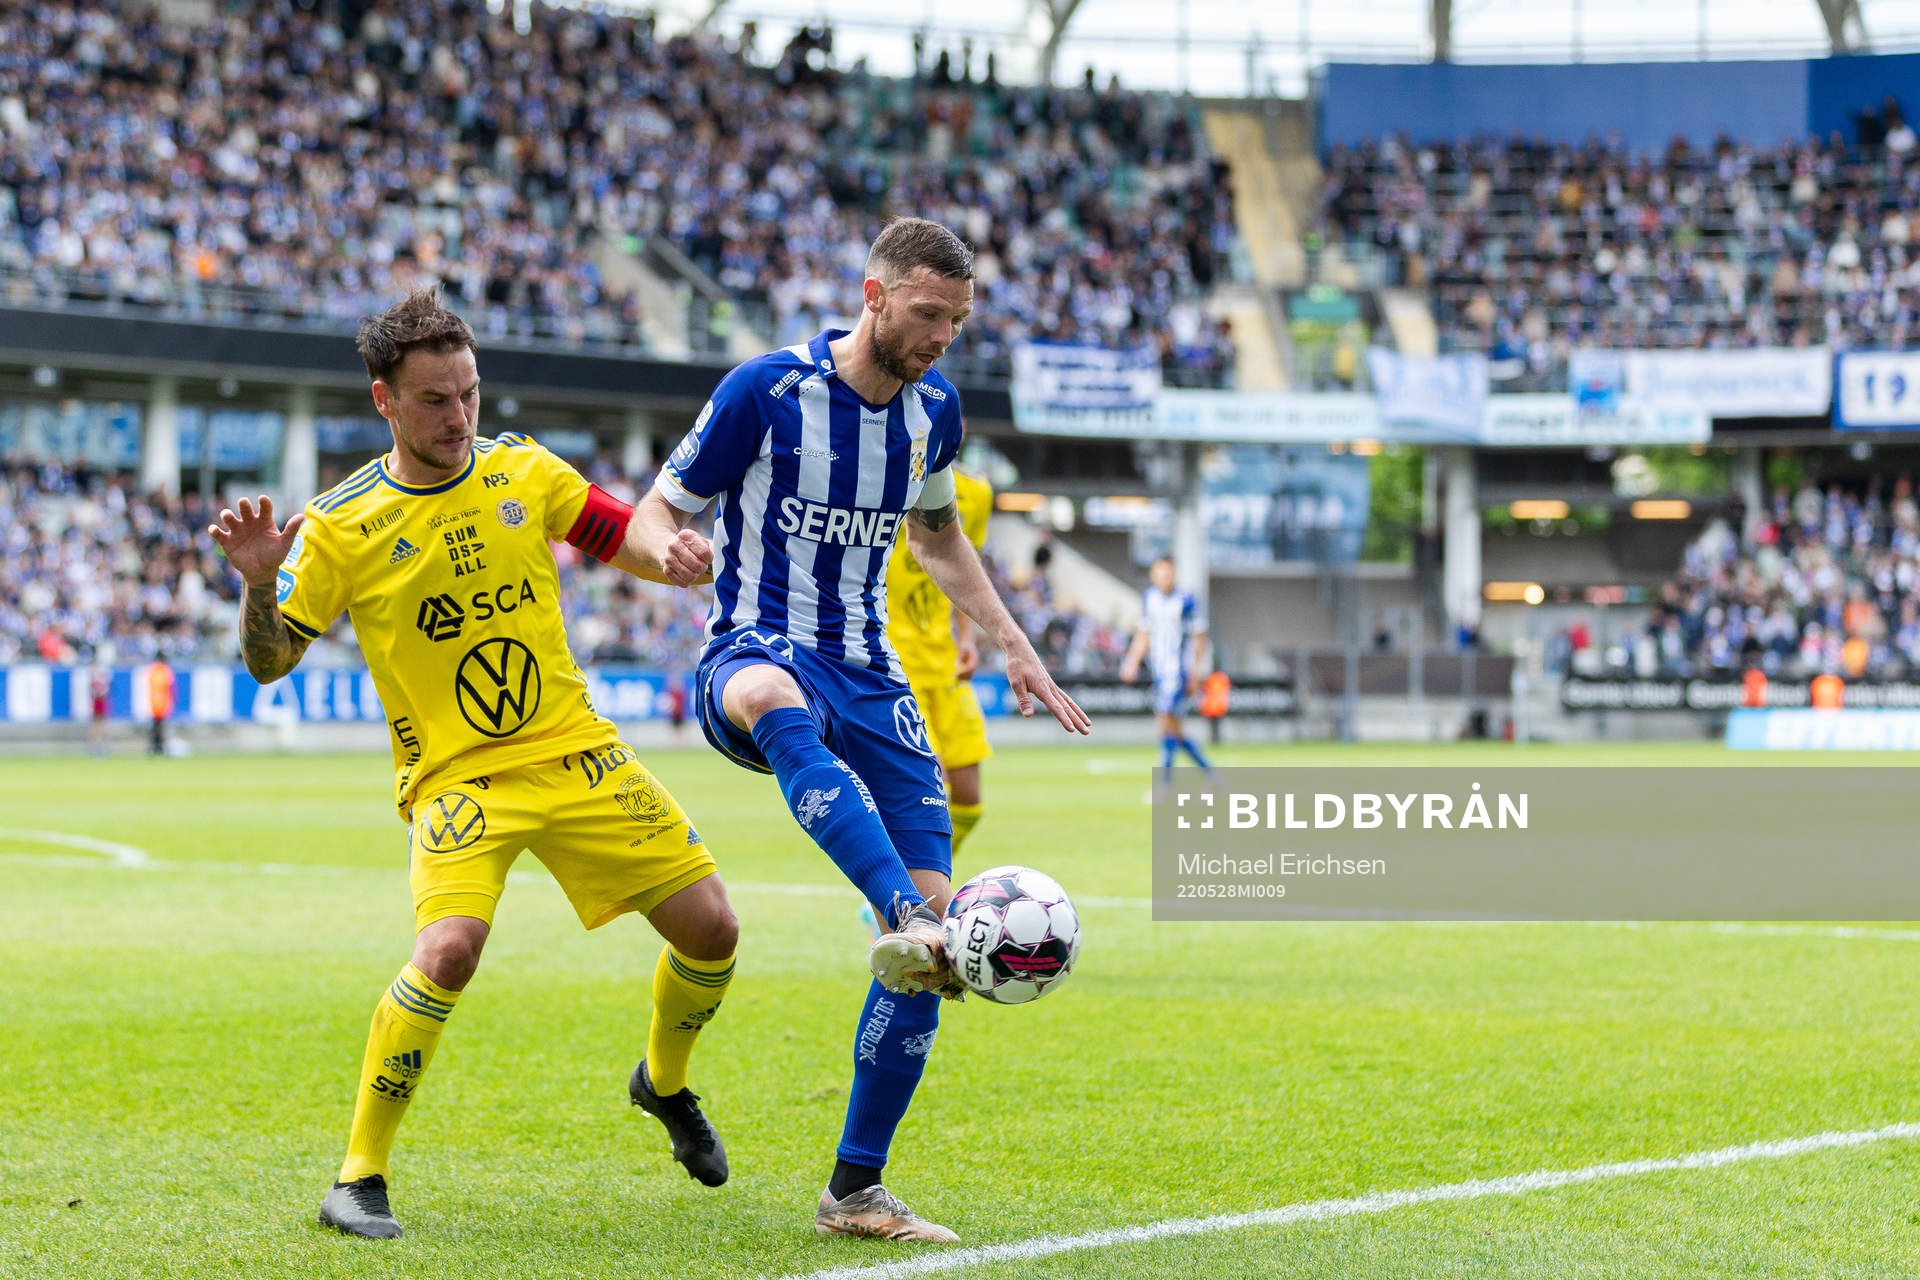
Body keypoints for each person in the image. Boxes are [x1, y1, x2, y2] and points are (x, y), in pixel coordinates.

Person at [207, 290, 740, 1241]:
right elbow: (268, 661)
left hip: (577, 753)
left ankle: (662, 1083)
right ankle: (357, 1178)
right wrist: (256, 586)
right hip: (458, 781)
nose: (459, 418)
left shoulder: (523, 471)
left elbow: (624, 533)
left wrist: (678, 552)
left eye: (469, 393)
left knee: (712, 932)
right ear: (384, 402)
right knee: (449, 948)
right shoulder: (339, 525)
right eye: (434, 401)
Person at [629, 217, 1090, 1243]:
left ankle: (855, 1189)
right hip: (756, 649)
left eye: (958, 322)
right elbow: (657, 506)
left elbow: (939, 539)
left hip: (874, 679)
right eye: (930, 315)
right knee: (770, 699)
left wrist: (1014, 643)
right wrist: (669, 549)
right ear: (874, 295)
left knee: (941, 946)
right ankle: (899, 908)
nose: (943, 338)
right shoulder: (766, 391)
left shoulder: (935, 411)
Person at [885, 468, 995, 856]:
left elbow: (966, 568)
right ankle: (906, 895)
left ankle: (923, 883)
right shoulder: (887, 468)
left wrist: (967, 638)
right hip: (895, 658)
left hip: (945, 662)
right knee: (930, 791)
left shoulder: (977, 494)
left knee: (967, 797)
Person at [1119, 555, 1212, 778]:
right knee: (1174, 729)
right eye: (1160, 572)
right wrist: (1131, 662)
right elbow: (1144, 634)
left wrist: (1194, 673)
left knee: (1164, 721)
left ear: (1174, 574)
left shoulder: (1186, 600)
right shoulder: (1149, 599)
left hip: (1177, 671)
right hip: (1159, 671)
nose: (1164, 576)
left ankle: (1165, 784)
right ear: (1153, 575)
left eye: (1168, 572)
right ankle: (1211, 775)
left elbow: (1199, 638)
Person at [143, 655, 175, 756]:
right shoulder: (165, 671)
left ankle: (154, 746)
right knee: (160, 727)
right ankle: (159, 747)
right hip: (162, 703)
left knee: (155, 726)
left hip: (154, 703)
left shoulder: (152, 670)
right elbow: (170, 688)